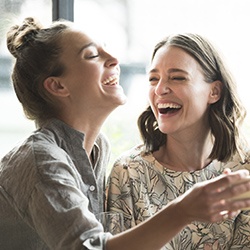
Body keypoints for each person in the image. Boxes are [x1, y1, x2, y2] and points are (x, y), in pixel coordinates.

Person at [1, 18, 250, 250]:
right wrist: (182, 210)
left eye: (177, 77)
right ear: (58, 86)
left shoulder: (97, 149)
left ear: (215, 92)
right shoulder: (42, 161)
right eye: (92, 55)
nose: (114, 59)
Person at [107, 33, 250, 249]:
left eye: (177, 78)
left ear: (214, 91)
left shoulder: (244, 169)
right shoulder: (128, 172)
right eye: (153, 79)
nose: (159, 89)